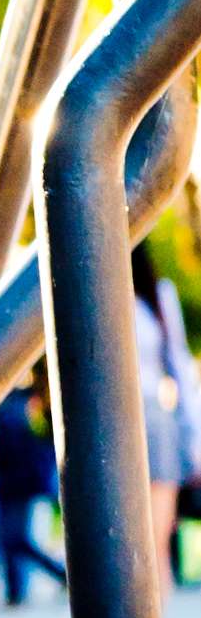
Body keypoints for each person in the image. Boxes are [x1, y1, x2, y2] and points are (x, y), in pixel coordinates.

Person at [131, 243, 201, 591]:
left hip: (155, 420)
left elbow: (179, 364)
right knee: (123, 545)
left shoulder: (156, 294)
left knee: (155, 543)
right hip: (111, 426)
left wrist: (195, 438)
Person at [0, 377, 66, 607]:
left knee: (16, 538)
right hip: (8, 481)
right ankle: (15, 592)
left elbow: (30, 443)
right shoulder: (6, 400)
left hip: (20, 481)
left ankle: (62, 574)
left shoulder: (25, 402)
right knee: (9, 538)